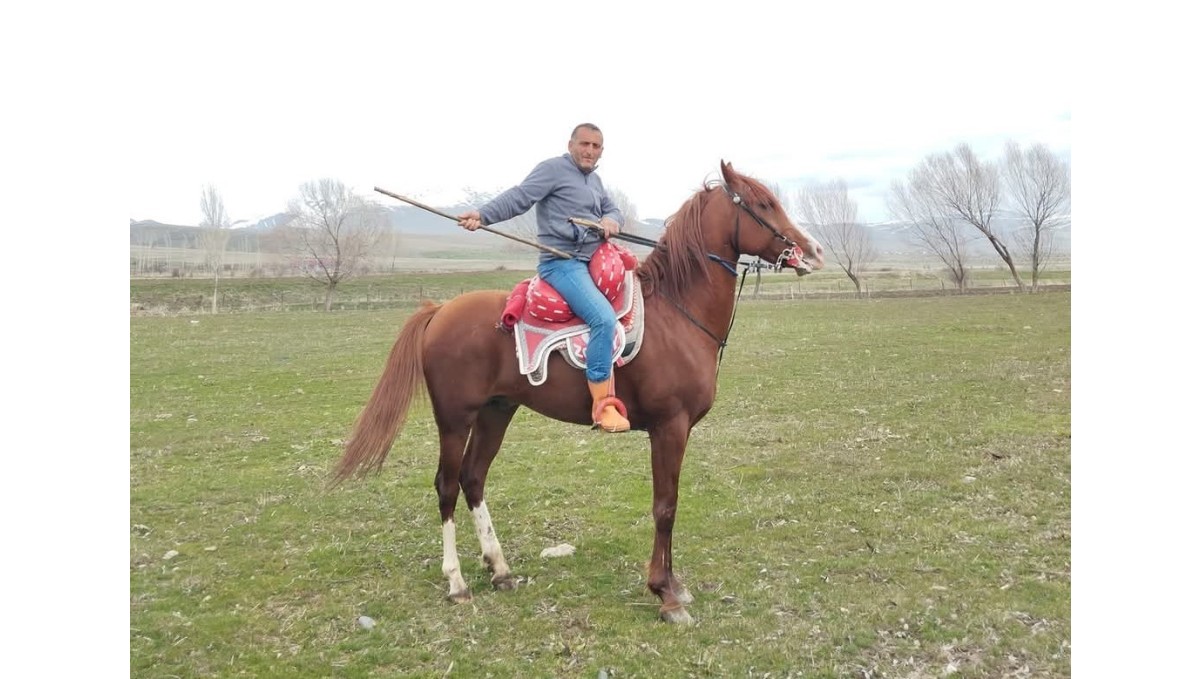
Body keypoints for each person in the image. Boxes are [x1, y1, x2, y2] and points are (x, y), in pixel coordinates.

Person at [458, 123, 629, 433]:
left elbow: (613, 209)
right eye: (585, 144)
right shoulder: (552, 170)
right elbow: (519, 197)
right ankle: (603, 406)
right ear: (571, 144)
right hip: (564, 263)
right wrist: (482, 216)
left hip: (595, 259)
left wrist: (610, 220)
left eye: (596, 146)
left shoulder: (596, 181)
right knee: (604, 320)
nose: (590, 151)